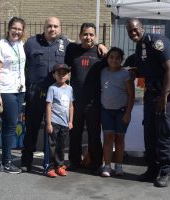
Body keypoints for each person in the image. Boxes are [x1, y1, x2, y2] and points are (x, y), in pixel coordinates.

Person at [21, 17, 107, 174]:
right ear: (44, 27)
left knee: (63, 133)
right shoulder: (33, 43)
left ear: (60, 29)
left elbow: (92, 48)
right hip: (37, 95)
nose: (52, 29)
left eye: (55, 26)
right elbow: (20, 61)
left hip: (68, 99)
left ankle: (60, 163)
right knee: (33, 129)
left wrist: (101, 45)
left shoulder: (70, 46)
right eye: (49, 26)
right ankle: (27, 161)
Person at [126, 18, 170, 187]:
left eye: (135, 29)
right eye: (130, 31)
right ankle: (152, 170)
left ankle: (165, 172)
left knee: (164, 133)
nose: (133, 33)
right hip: (151, 95)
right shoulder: (140, 46)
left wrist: (164, 96)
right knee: (149, 132)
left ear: (142, 28)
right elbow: (145, 68)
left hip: (166, 96)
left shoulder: (157, 41)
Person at [65, 23, 105, 174]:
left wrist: (102, 45)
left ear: (95, 36)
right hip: (75, 102)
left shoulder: (100, 52)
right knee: (74, 133)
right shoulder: (72, 50)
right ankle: (74, 162)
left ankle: (96, 163)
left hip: (94, 102)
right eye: (85, 34)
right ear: (80, 35)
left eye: (91, 34)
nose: (88, 37)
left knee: (94, 135)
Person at [0, 17, 26, 174]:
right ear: (8, 28)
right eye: (14, 28)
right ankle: (6, 163)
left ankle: (7, 160)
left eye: (19, 29)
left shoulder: (21, 45)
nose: (16, 31)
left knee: (11, 125)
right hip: (5, 91)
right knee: (10, 126)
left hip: (19, 90)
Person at [100, 47, 135, 177]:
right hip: (106, 111)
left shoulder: (126, 74)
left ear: (122, 60)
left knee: (120, 139)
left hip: (121, 111)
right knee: (108, 138)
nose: (114, 60)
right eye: (111, 57)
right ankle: (107, 166)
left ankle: (119, 166)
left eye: (117, 58)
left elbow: (131, 95)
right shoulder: (102, 71)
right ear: (107, 59)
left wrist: (128, 113)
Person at [44, 64, 74, 177]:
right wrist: (49, 123)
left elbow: (71, 106)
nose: (61, 75)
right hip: (54, 122)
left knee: (61, 146)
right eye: (59, 73)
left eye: (64, 73)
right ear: (54, 75)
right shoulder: (52, 88)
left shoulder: (70, 88)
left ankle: (59, 166)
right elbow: (48, 106)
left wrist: (70, 121)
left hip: (65, 123)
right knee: (52, 145)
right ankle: (50, 167)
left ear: (68, 75)